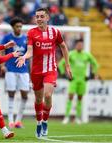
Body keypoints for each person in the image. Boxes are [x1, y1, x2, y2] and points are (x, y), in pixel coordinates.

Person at [16, 8, 72, 138]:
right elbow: (30, 51)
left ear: (47, 17)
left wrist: (67, 65)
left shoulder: (55, 32)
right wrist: (24, 57)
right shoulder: (31, 33)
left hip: (50, 69)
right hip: (36, 71)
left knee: (47, 95)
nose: (39, 19)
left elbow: (63, 47)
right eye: (37, 17)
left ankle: (45, 121)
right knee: (38, 99)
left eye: (42, 16)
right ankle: (39, 122)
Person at [59, 39, 99, 124]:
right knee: (70, 97)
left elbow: (95, 64)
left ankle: (77, 118)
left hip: (82, 80)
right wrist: (64, 74)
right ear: (76, 45)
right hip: (73, 80)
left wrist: (93, 74)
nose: (80, 46)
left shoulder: (86, 55)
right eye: (78, 45)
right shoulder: (71, 54)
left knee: (80, 99)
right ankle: (66, 117)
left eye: (81, 45)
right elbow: (61, 64)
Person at [0, 17, 29, 129]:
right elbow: (2, 50)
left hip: (23, 70)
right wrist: (2, 65)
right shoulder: (7, 38)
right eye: (17, 26)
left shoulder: (26, 39)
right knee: (11, 94)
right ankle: (11, 121)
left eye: (21, 26)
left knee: (25, 95)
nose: (19, 28)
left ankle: (18, 120)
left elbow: (29, 53)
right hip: (11, 69)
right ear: (13, 27)